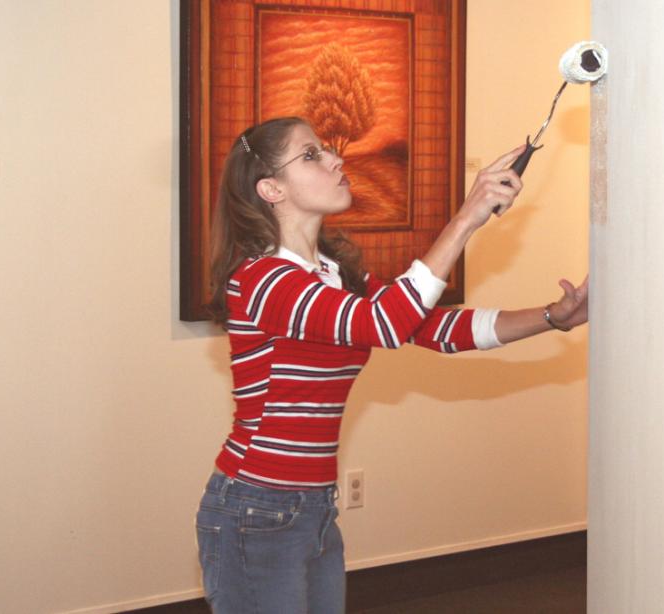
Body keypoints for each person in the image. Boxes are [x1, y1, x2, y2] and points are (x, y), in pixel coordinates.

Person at [195, 116, 588, 613]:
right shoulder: (263, 279)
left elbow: (439, 330)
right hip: (256, 507)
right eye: (311, 155)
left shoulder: (332, 275)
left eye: (326, 149)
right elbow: (384, 323)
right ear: (271, 189)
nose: (336, 159)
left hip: (310, 506)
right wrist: (466, 217)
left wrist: (556, 317)